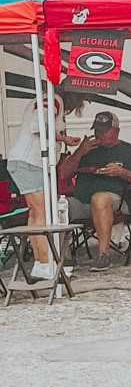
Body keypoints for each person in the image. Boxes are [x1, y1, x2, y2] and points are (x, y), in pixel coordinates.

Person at [58, 109, 131, 266]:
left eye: (104, 131)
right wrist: (79, 152)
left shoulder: (130, 151)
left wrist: (122, 172)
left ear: (116, 131)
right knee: (57, 207)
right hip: (82, 201)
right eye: (97, 130)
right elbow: (62, 173)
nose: (99, 134)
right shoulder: (87, 150)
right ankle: (64, 258)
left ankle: (104, 255)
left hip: (115, 201)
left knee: (100, 198)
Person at [6, 88, 69, 282]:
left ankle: (41, 263)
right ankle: (45, 264)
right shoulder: (52, 99)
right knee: (42, 212)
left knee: (35, 213)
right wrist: (63, 138)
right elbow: (37, 126)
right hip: (29, 162)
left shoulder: (49, 100)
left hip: (25, 162)